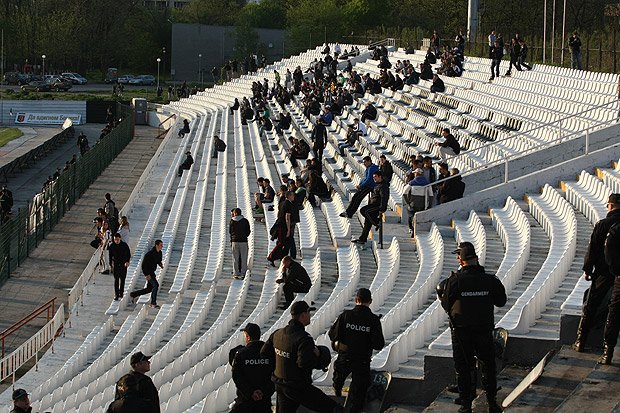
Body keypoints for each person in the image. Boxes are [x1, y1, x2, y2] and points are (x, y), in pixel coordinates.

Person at [438, 242, 507, 413]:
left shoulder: (455, 281)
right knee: (488, 366)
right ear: (476, 259)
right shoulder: (490, 280)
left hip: (462, 331)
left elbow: (446, 305)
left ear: (461, 261)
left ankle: (466, 405)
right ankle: (492, 403)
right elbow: (501, 301)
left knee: (464, 367)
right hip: (484, 329)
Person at [261, 301, 342, 413]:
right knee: (333, 409)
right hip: (298, 387)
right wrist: (317, 355)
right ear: (303, 315)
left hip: (280, 385)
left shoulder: (277, 333)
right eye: (309, 313)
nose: (310, 316)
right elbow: (304, 364)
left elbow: (264, 353)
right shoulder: (304, 339)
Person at [573, 194, 620, 355]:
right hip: (619, 273)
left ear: (610, 206)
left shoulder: (603, 224)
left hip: (603, 272)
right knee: (614, 309)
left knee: (592, 304)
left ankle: (581, 340)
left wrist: (587, 269)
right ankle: (608, 349)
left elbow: (592, 249)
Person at [328, 288, 385, 412]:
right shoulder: (373, 320)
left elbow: (332, 334)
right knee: (359, 395)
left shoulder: (345, 315)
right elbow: (379, 344)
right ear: (370, 301)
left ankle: (337, 388)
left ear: (356, 300)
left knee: (338, 378)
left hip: (345, 357)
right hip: (362, 361)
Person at [229, 323, 275, 413]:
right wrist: (263, 392)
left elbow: (237, 377)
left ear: (248, 337)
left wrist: (251, 393)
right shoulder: (270, 353)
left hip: (245, 403)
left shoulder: (241, 354)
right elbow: (274, 375)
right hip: (264, 403)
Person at [351, 170, 389, 245]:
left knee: (364, 210)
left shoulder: (383, 186)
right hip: (373, 204)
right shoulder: (377, 185)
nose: (374, 179)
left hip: (377, 206)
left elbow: (384, 198)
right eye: (373, 177)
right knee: (367, 223)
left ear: (380, 177)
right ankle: (362, 239)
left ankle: (377, 222)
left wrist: (382, 209)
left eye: (375, 177)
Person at [130, 240, 164, 309]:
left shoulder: (160, 253)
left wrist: (160, 264)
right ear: (156, 245)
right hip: (148, 272)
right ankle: (153, 303)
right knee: (156, 285)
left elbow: (158, 260)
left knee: (149, 289)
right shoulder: (149, 254)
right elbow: (143, 265)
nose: (162, 246)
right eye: (161, 245)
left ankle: (133, 294)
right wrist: (146, 274)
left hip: (152, 272)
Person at [403, 169, 433, 236]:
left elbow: (404, 193)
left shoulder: (412, 183)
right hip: (423, 204)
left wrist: (408, 202)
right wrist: (429, 205)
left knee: (411, 216)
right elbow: (431, 195)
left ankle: (411, 228)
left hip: (413, 204)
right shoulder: (427, 183)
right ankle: (416, 230)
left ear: (416, 174)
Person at [230, 208, 251, 280]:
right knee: (244, 257)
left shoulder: (232, 221)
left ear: (235, 213)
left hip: (234, 241)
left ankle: (236, 273)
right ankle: (243, 273)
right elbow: (248, 231)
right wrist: (244, 236)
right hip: (243, 241)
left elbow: (230, 231)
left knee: (235, 258)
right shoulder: (245, 221)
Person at [109, 233, 131, 301]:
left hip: (123, 264)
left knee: (122, 279)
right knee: (116, 280)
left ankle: (121, 293)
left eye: (117, 239)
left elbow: (128, 254)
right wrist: (110, 264)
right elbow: (110, 256)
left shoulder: (124, 245)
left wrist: (127, 261)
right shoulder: (112, 246)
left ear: (120, 238)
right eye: (115, 239)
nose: (116, 241)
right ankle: (116, 294)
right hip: (115, 264)